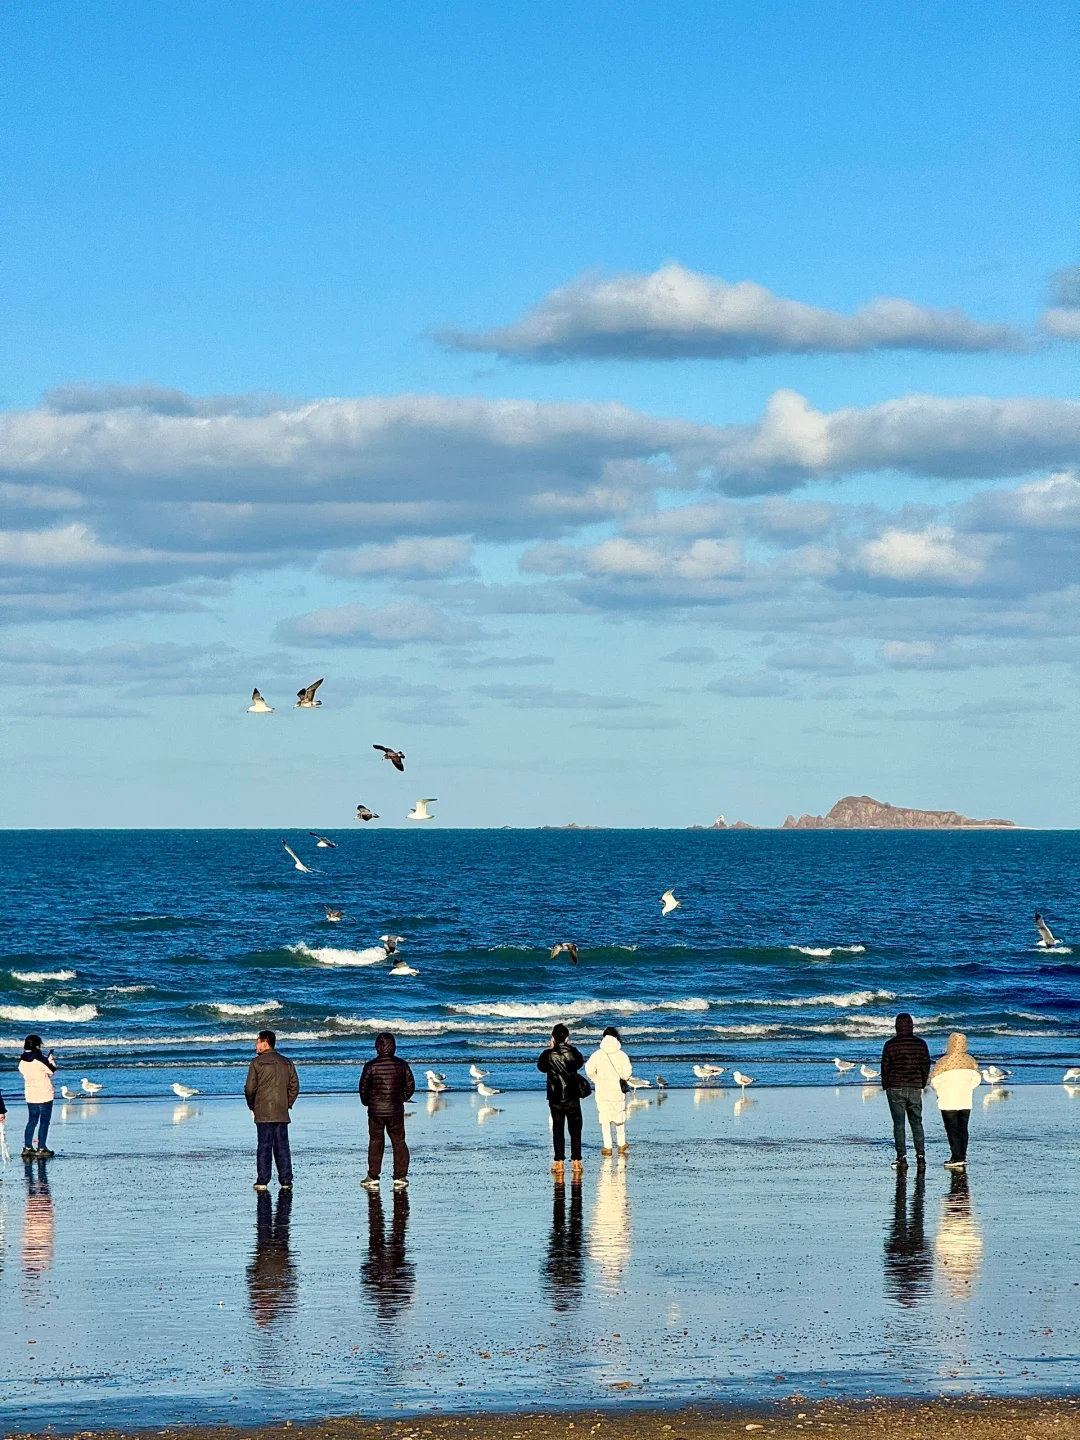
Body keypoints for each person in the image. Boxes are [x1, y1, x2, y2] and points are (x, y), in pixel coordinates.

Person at [358, 1031, 415, 1192]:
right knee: (399, 1142)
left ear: (377, 1047)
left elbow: (363, 1088)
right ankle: (400, 1177)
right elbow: (410, 1086)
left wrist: (368, 1102)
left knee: (376, 1143)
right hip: (395, 1110)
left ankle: (373, 1177)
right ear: (394, 1047)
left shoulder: (371, 1066)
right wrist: (401, 1098)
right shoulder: (402, 1065)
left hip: (376, 1111)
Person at [244, 1029, 299, 1192]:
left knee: (264, 1146)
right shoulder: (286, 1062)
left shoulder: (256, 1063)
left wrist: (252, 1105)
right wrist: (287, 1103)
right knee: (282, 1146)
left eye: (257, 1041)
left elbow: (249, 1088)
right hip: (281, 1111)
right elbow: (294, 1086)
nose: (255, 1045)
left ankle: (263, 1180)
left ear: (264, 1042)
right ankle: (286, 1179)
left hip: (263, 1111)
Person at [880, 1013, 931, 1172]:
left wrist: (885, 1084)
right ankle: (920, 1155)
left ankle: (901, 1156)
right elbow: (925, 1065)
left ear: (896, 1026)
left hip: (895, 1086)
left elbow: (885, 1066)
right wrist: (922, 1082)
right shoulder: (920, 1044)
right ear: (911, 1026)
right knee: (917, 1122)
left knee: (899, 1123)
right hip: (914, 1086)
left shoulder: (890, 1044)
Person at [537, 1023, 586, 1179]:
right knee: (575, 1129)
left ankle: (559, 1163)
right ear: (567, 1038)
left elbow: (541, 1068)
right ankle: (576, 1162)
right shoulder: (573, 1052)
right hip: (572, 1096)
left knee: (558, 1129)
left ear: (552, 1038)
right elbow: (579, 1063)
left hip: (555, 1097)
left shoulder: (547, 1054)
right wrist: (568, 1048)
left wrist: (551, 1049)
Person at [929, 1032, 982, 1171]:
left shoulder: (944, 1061)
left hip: (948, 1099)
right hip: (965, 1098)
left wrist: (940, 1090)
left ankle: (956, 1156)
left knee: (951, 1128)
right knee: (963, 1128)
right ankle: (962, 1156)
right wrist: (968, 1087)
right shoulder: (970, 1060)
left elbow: (934, 1080)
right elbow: (977, 1078)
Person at [584, 1025, 633, 1155]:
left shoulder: (597, 1054)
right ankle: (621, 1144)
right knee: (619, 1117)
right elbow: (627, 1074)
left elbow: (588, 1069)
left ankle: (607, 1146)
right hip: (617, 1091)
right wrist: (622, 1078)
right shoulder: (622, 1055)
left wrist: (596, 1079)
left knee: (605, 1119)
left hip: (602, 1091)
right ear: (616, 1038)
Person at [19, 1035, 57, 1160]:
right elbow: (51, 1070)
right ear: (37, 1045)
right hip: (44, 1093)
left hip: (30, 1093)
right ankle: (41, 1148)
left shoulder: (22, 1061)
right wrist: (51, 1060)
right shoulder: (39, 1059)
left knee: (32, 1120)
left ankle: (27, 1147)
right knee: (44, 1121)